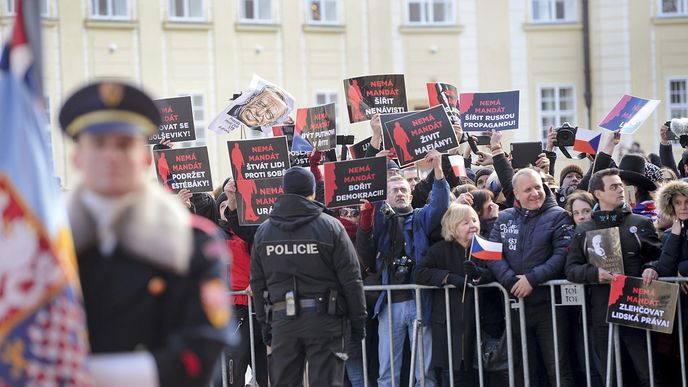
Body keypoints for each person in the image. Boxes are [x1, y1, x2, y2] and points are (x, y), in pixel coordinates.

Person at [60, 81, 230, 387]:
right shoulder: (47, 243)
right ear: (77, 158)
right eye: (98, 143)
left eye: (125, 144)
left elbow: (203, 350)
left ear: (146, 158)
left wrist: (84, 376)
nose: (111, 156)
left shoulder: (192, 242)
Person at [250, 166, 367, 387]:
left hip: (283, 321)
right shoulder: (331, 226)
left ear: (283, 191)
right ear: (312, 192)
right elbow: (351, 279)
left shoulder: (264, 231)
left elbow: (257, 284)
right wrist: (358, 323)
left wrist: (266, 326)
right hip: (326, 322)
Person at [356, 149, 450, 387]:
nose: (399, 193)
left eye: (403, 191)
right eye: (394, 190)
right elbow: (372, 203)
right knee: (388, 371)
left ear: (410, 196)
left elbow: (440, 206)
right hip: (389, 304)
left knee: (424, 371)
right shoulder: (380, 218)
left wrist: (438, 170)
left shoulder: (420, 217)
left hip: (419, 301)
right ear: (385, 196)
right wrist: (376, 166)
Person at [565, 168, 663, 387]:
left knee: (649, 374)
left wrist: (652, 268)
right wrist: (593, 273)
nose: (620, 189)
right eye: (614, 187)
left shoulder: (639, 223)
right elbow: (571, 269)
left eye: (620, 185)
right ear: (598, 194)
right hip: (603, 314)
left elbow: (659, 258)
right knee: (613, 376)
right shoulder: (584, 230)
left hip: (637, 311)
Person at [487, 168, 575, 387]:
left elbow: (562, 254)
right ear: (516, 194)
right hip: (515, 306)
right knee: (522, 371)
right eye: (528, 190)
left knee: (558, 369)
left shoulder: (559, 216)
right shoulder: (504, 217)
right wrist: (512, 282)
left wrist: (531, 279)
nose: (535, 193)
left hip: (549, 307)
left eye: (538, 187)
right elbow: (492, 255)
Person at [414, 203, 502, 387]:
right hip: (450, 328)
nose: (472, 225)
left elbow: (498, 272)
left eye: (474, 220)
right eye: (465, 222)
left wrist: (480, 274)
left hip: (483, 325)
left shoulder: (485, 245)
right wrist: (449, 277)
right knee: (454, 377)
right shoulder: (439, 249)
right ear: (453, 227)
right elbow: (419, 272)